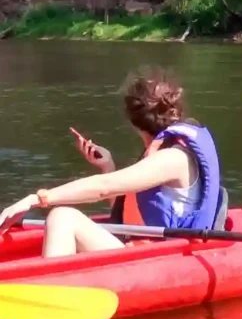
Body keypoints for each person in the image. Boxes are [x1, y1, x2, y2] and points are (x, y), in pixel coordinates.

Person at [0, 68, 222, 257]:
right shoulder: (166, 152)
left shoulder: (172, 158)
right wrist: (108, 166)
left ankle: (51, 291)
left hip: (164, 260)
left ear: (132, 121)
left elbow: (103, 187)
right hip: (149, 252)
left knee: (62, 218)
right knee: (63, 218)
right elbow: (130, 214)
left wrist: (36, 199)